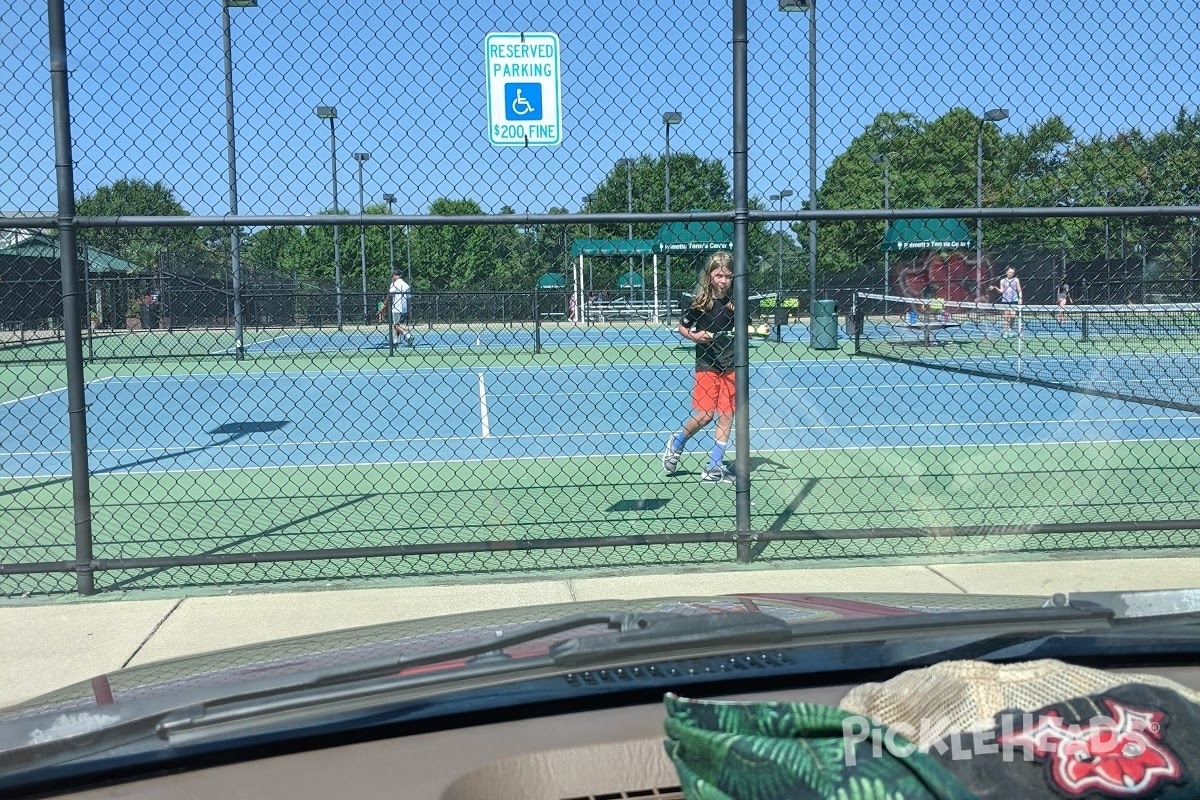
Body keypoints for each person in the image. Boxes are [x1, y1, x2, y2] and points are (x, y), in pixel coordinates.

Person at [662, 251, 737, 485]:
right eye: (718, 275)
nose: (722, 280)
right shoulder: (701, 303)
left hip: (732, 364)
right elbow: (681, 328)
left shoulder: (737, 302)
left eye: (727, 275)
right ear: (710, 276)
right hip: (707, 364)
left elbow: (746, 327)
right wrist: (696, 336)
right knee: (705, 416)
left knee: (727, 417)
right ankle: (677, 444)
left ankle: (714, 467)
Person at [990, 267, 1022, 337]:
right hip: (1005, 300)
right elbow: (1001, 291)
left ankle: (1011, 329)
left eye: (1012, 273)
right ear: (1006, 272)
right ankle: (1005, 331)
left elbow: (1019, 290)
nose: (1011, 274)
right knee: (1006, 315)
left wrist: (1020, 298)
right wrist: (994, 288)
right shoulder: (1002, 281)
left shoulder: (1016, 280)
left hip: (1014, 299)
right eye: (1010, 272)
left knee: (1013, 315)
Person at [389, 268, 413, 347]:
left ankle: (408, 335)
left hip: (396, 307)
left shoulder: (395, 284)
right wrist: (409, 310)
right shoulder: (406, 285)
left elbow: (390, 294)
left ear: (395, 276)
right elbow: (409, 299)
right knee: (397, 325)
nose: (392, 278)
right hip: (404, 308)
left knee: (395, 325)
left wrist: (385, 304)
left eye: (392, 276)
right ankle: (395, 342)